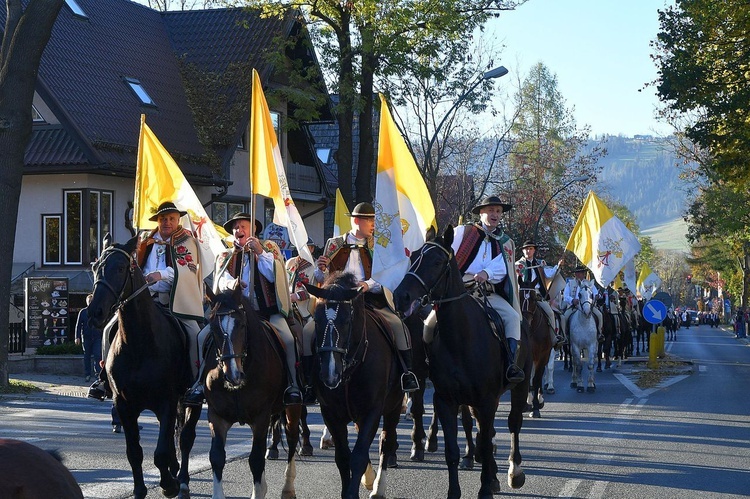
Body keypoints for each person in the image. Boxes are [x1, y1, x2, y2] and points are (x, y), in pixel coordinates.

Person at [88, 201, 205, 401]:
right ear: (157, 221)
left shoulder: (186, 241)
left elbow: (188, 269)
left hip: (174, 302)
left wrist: (161, 274)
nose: (167, 222)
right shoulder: (145, 242)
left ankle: (196, 382)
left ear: (178, 221)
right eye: (163, 219)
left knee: (194, 333)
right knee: (110, 329)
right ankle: (105, 379)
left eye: (171, 219)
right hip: (143, 299)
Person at [185, 212, 303, 406]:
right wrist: (233, 285)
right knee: (201, 336)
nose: (239, 230)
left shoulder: (269, 248)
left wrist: (259, 254)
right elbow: (220, 281)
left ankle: (293, 384)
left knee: (289, 340)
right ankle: (198, 382)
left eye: (243, 226)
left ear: (253, 229)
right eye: (236, 227)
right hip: (235, 313)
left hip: (265, 311)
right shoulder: (225, 255)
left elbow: (276, 277)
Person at [305, 202, 420, 392]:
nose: (374, 224)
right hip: (338, 303)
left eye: (374, 220)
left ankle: (406, 374)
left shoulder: (379, 245)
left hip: (369, 302)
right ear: (357, 221)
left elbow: (384, 276)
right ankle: (309, 382)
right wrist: (320, 270)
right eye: (370, 220)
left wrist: (368, 285)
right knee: (308, 332)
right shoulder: (333, 244)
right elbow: (321, 279)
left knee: (398, 326)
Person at [425, 195, 525, 383]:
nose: (495, 214)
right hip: (458, 292)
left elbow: (505, 267)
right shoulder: (463, 231)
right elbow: (444, 251)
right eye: (491, 210)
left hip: (487, 292)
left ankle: (511, 364)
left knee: (512, 317)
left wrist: (487, 273)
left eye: (498, 211)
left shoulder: (506, 242)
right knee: (429, 325)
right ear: (481, 212)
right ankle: (428, 363)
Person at [515, 240, 565, 348]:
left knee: (550, 313)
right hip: (522, 294)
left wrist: (558, 266)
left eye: (531, 248)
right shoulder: (518, 265)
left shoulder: (539, 264)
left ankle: (554, 339)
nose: (528, 251)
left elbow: (550, 274)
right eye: (526, 249)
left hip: (537, 294)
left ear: (534, 251)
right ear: (523, 251)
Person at [287, 237, 318, 403]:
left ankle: (308, 378)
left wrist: (296, 296)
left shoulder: (315, 267)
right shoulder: (290, 262)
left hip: (305, 310)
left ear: (312, 249)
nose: (302, 250)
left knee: (306, 335)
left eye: (307, 247)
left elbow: (315, 289)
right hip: (287, 308)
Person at [562, 265, 603, 342]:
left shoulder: (590, 284)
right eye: (577, 273)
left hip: (587, 306)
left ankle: (599, 334)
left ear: (584, 274)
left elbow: (595, 293)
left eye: (580, 273)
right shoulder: (570, 283)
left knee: (599, 315)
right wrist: (572, 300)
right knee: (565, 317)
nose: (578, 274)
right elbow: (565, 296)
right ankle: (565, 335)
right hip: (574, 307)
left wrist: (597, 296)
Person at [74, 294, 101, 383]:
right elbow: (78, 325)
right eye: (89, 301)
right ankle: (87, 374)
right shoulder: (83, 312)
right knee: (87, 356)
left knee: (98, 355)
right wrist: (77, 337)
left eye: (92, 301)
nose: (90, 303)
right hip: (86, 337)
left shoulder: (98, 311)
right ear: (87, 302)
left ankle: (98, 374)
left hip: (97, 337)